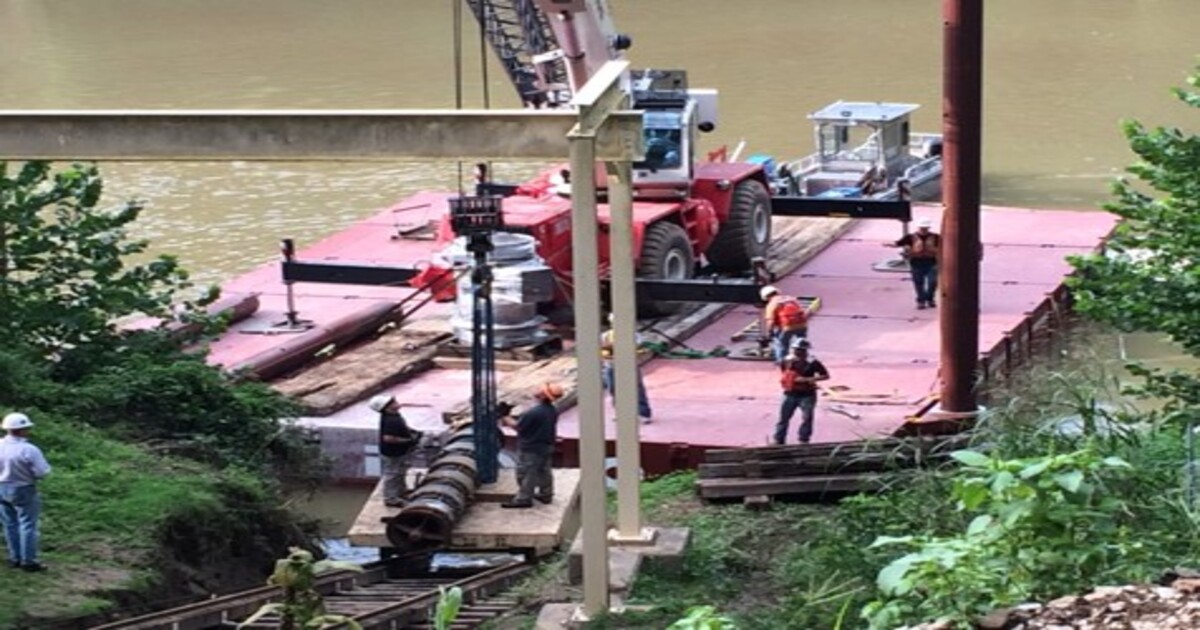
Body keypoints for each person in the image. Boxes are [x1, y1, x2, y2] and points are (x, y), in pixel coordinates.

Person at [1, 412, 52, 572]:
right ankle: (28, 561)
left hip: (1, 487)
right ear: (22, 430)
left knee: (10, 524)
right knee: (28, 524)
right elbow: (42, 472)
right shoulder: (29, 449)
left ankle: (15, 558)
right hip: (23, 488)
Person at [499, 382, 563, 509]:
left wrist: (504, 416)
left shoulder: (534, 412)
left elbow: (519, 427)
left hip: (531, 448)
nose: (537, 390)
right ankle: (546, 494)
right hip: (546, 445)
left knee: (527, 473)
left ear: (543, 396)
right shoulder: (552, 410)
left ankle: (524, 499)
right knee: (544, 471)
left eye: (541, 390)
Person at [774, 340, 830, 445]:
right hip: (789, 393)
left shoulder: (812, 362)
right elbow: (784, 372)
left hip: (807, 395)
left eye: (799, 350)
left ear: (805, 351)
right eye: (795, 350)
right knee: (783, 418)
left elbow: (825, 375)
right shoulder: (786, 360)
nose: (796, 352)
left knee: (807, 418)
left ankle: (804, 439)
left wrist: (807, 379)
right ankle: (778, 439)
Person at [600, 313, 653, 424]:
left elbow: (638, 347)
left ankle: (643, 413)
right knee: (614, 389)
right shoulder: (605, 336)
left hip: (629, 365)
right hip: (611, 365)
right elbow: (602, 350)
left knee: (637, 389)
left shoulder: (633, 335)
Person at [369, 394, 421, 508]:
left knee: (400, 472)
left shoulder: (394, 415)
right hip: (393, 453)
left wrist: (412, 432)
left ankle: (401, 492)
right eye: (392, 401)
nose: (396, 402)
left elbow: (402, 426)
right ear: (387, 407)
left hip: (399, 452)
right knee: (393, 474)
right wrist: (408, 440)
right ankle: (391, 499)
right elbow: (388, 438)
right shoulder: (390, 420)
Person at [889, 217, 941, 309]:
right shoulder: (910, 237)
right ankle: (921, 301)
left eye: (925, 228)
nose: (923, 229)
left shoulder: (936, 237)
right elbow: (898, 243)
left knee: (933, 282)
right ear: (918, 227)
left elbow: (945, 245)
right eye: (922, 228)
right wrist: (890, 245)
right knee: (918, 283)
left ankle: (930, 298)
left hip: (932, 262)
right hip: (916, 263)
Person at [760, 285, 809, 365]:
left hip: (787, 326)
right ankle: (802, 359)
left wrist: (770, 332)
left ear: (767, 297)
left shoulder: (772, 304)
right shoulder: (791, 299)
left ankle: (781, 362)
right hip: (802, 325)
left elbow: (770, 321)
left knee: (781, 344)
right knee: (801, 343)